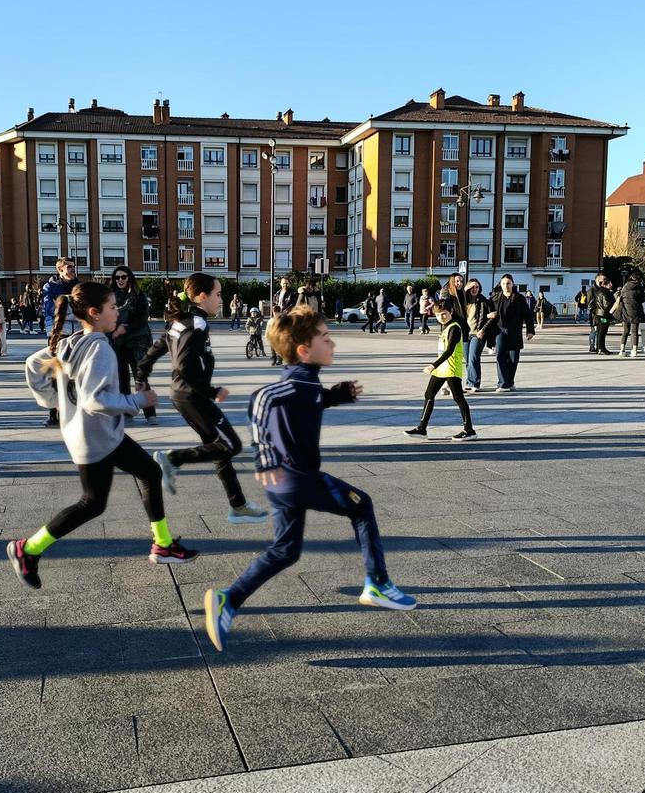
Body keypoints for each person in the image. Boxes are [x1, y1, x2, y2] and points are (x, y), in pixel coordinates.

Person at [202, 305, 418, 653]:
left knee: (285, 551)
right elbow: (262, 399)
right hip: (298, 478)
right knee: (361, 506)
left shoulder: (307, 384)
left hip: (282, 485)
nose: (332, 344)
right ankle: (377, 583)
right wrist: (263, 456)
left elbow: (308, 402)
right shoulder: (299, 383)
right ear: (304, 350)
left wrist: (336, 395)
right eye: (326, 338)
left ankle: (228, 601)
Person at [15, 281, 199, 588]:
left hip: (93, 434)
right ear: (94, 312)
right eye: (113, 307)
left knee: (149, 472)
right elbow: (95, 400)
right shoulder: (99, 347)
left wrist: (56, 400)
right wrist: (138, 401)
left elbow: (33, 365)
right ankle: (28, 548)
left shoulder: (72, 340)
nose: (118, 311)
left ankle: (163, 544)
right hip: (96, 438)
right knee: (92, 502)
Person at [138, 273, 267, 525]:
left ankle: (238, 505)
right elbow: (185, 367)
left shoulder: (182, 320)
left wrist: (142, 370)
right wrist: (212, 391)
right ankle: (174, 458)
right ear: (202, 296)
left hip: (184, 395)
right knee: (231, 445)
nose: (222, 300)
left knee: (219, 449)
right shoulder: (196, 323)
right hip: (193, 395)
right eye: (218, 295)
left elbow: (159, 346)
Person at [405, 300, 476, 441]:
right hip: (441, 368)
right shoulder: (445, 326)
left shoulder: (454, 328)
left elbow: (449, 350)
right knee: (429, 394)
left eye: (444, 314)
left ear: (451, 312)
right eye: (438, 315)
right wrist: (437, 366)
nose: (441, 317)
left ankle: (469, 430)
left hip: (451, 367)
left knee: (458, 398)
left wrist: (433, 365)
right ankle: (422, 428)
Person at [110, 265, 156, 425]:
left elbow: (143, 317)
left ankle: (150, 414)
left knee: (140, 378)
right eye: (117, 277)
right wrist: (116, 330)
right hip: (118, 343)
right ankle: (127, 412)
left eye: (123, 277)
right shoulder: (110, 296)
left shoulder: (138, 295)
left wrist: (125, 328)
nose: (120, 280)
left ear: (129, 278)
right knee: (122, 380)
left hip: (137, 342)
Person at [484, 274, 536, 391]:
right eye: (503, 284)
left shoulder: (519, 298)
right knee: (500, 356)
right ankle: (503, 383)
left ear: (513, 284)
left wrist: (530, 330)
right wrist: (488, 315)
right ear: (500, 285)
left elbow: (527, 315)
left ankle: (509, 382)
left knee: (514, 359)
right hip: (500, 330)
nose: (506, 286)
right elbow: (486, 310)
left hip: (515, 331)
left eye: (508, 283)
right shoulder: (495, 298)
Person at [463, 278, 492, 393]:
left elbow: (491, 318)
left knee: (473, 358)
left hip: (477, 334)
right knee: (467, 360)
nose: (474, 289)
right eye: (472, 287)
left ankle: (475, 383)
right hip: (465, 334)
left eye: (477, 287)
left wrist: (483, 330)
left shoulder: (484, 301)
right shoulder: (464, 301)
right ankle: (469, 382)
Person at [41, 257, 80, 337]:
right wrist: (74, 312)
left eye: (73, 267)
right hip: (58, 331)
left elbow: (84, 308)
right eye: (69, 267)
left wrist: (63, 307)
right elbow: (50, 309)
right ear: (60, 270)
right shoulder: (50, 287)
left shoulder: (79, 287)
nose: (73, 269)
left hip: (78, 331)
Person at [618, 274, 645, 359]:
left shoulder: (625, 287)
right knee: (634, 332)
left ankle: (622, 350)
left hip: (625, 311)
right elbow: (643, 299)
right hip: (635, 312)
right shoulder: (639, 288)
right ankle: (634, 351)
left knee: (625, 332)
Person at [587, 274, 615, 354]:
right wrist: (596, 311)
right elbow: (590, 304)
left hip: (599, 313)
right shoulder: (593, 290)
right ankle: (594, 347)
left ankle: (599, 347)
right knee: (596, 331)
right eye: (602, 280)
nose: (604, 281)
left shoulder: (601, 290)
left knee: (600, 332)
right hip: (598, 314)